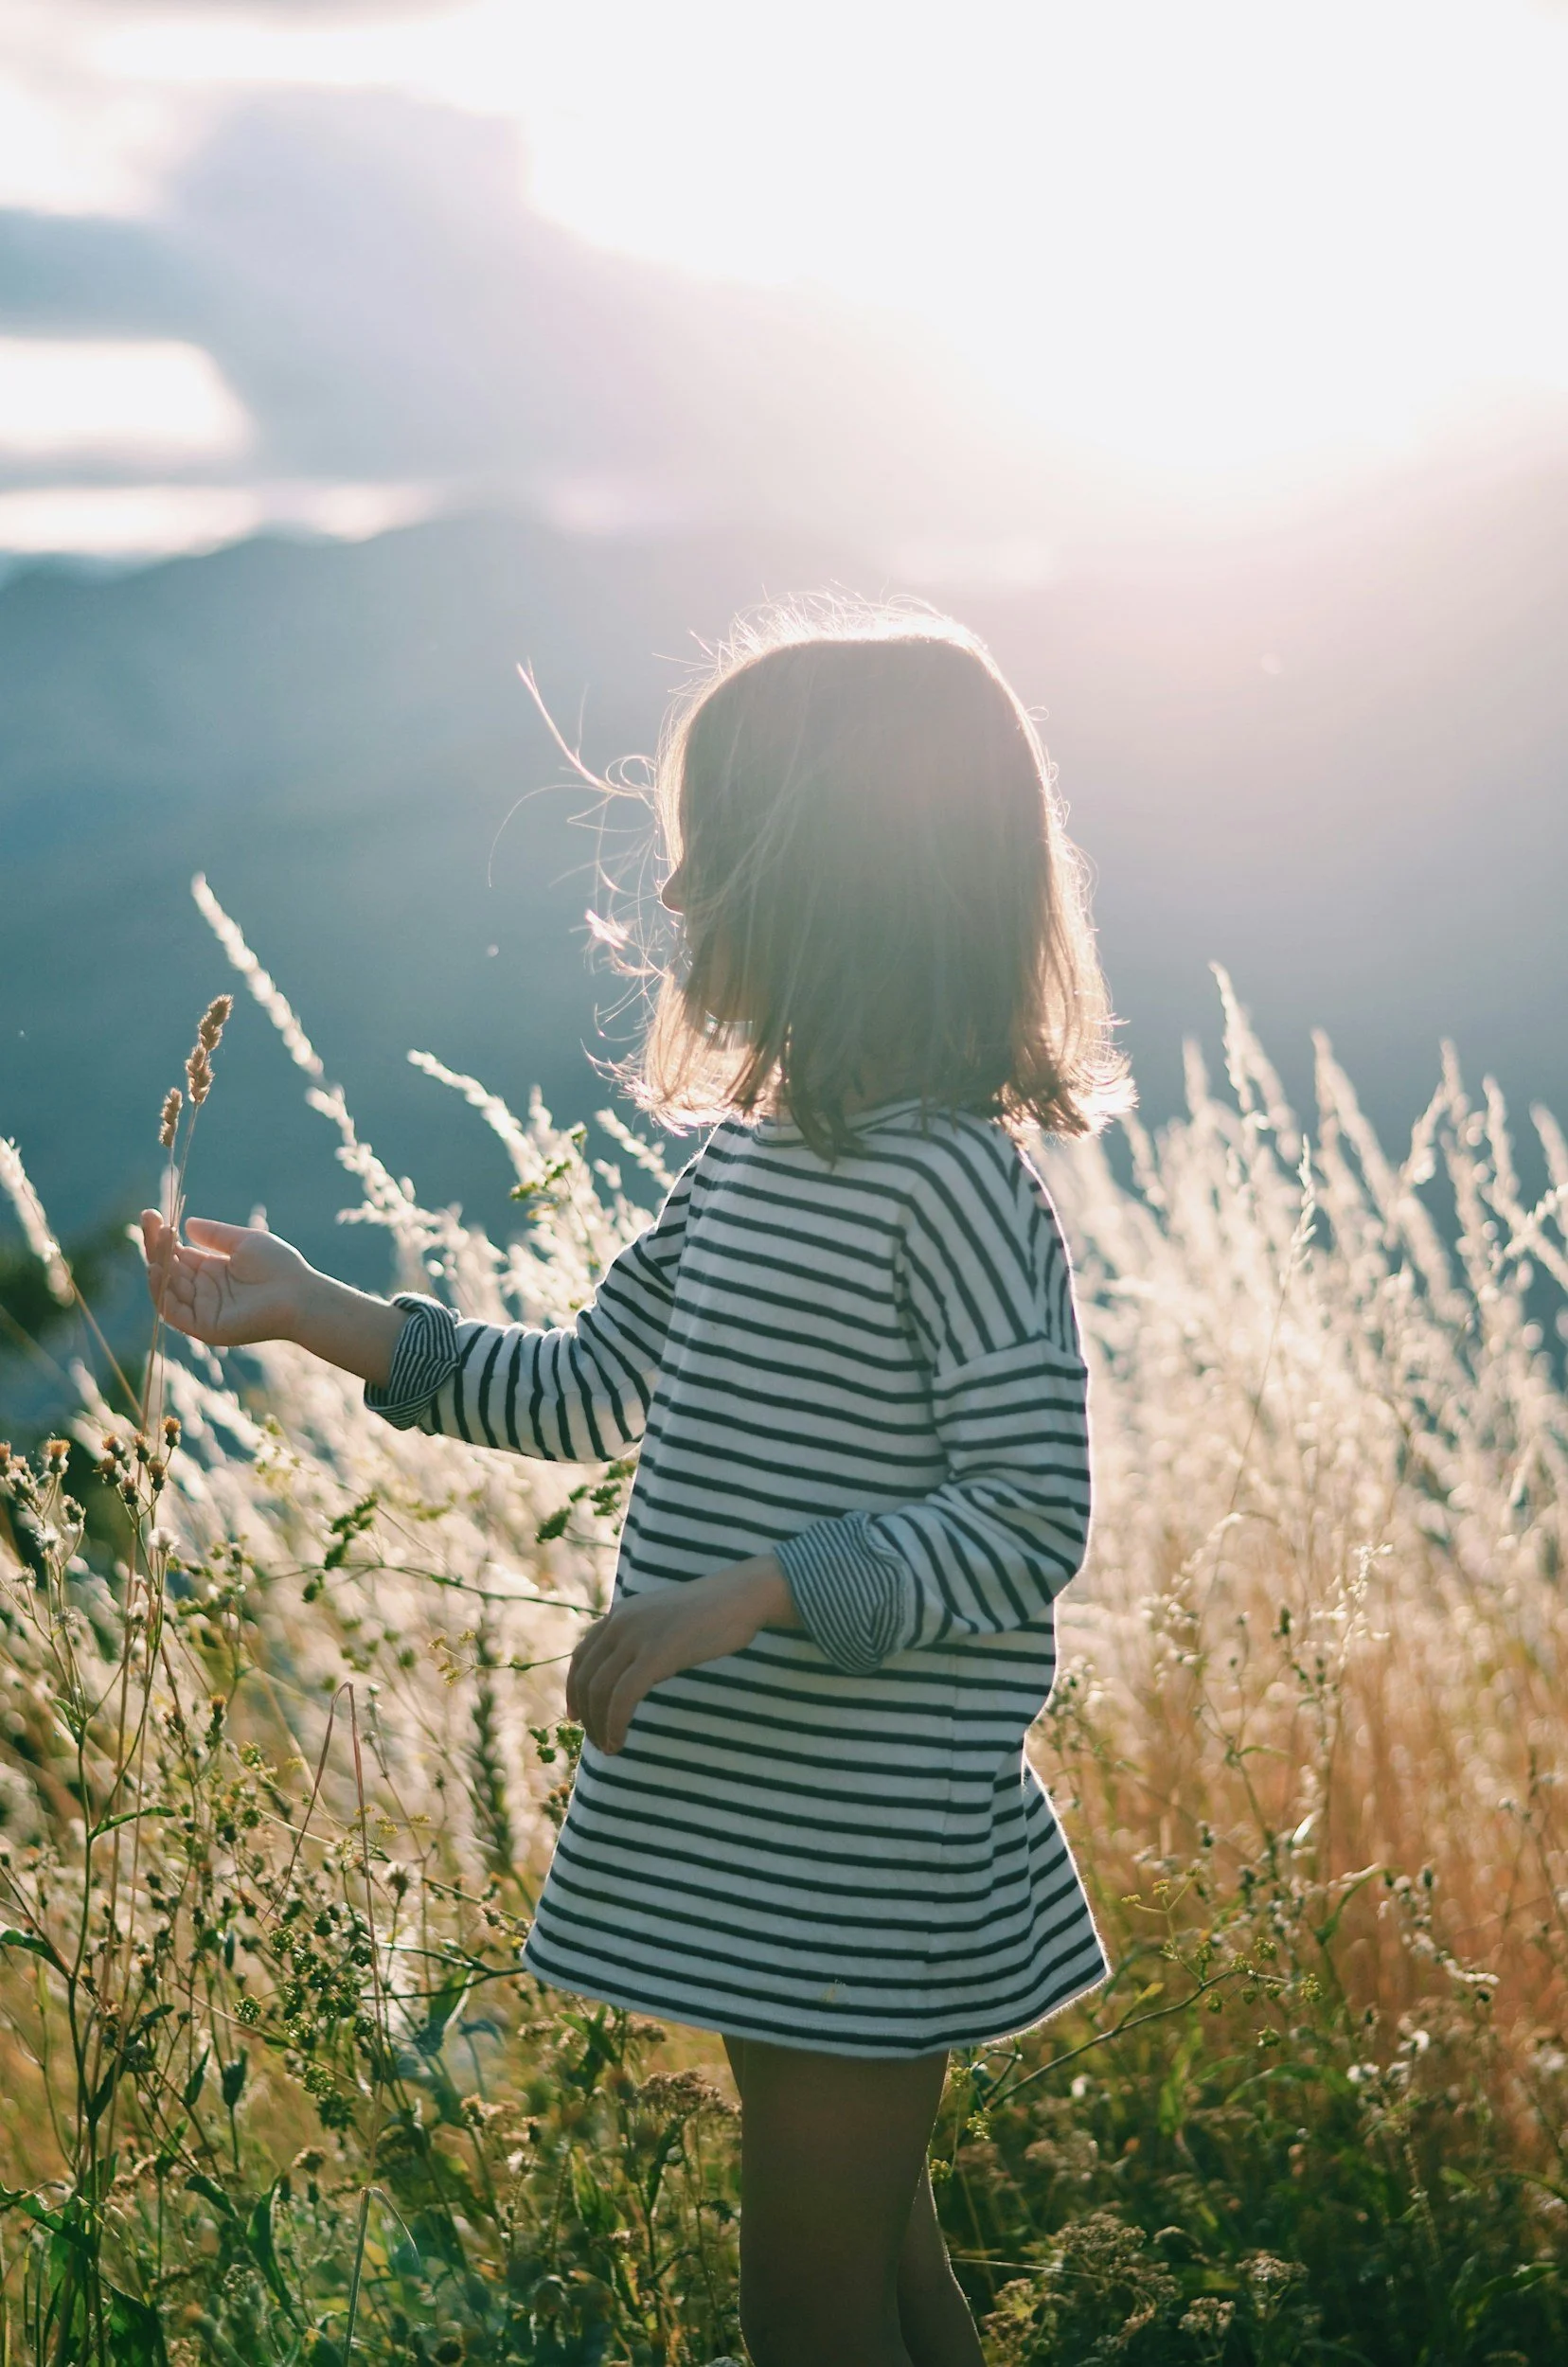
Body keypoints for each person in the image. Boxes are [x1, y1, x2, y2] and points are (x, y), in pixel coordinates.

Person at [143, 604, 1130, 2367]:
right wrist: (313, 1310)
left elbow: (1028, 1517)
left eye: (711, 859)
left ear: (835, 880)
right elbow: (588, 1388)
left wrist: (753, 1589)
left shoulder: (961, 1190)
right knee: (882, 2283)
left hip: (865, 1836)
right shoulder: (751, 1170)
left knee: (808, 2311)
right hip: (766, 1824)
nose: (676, 904)